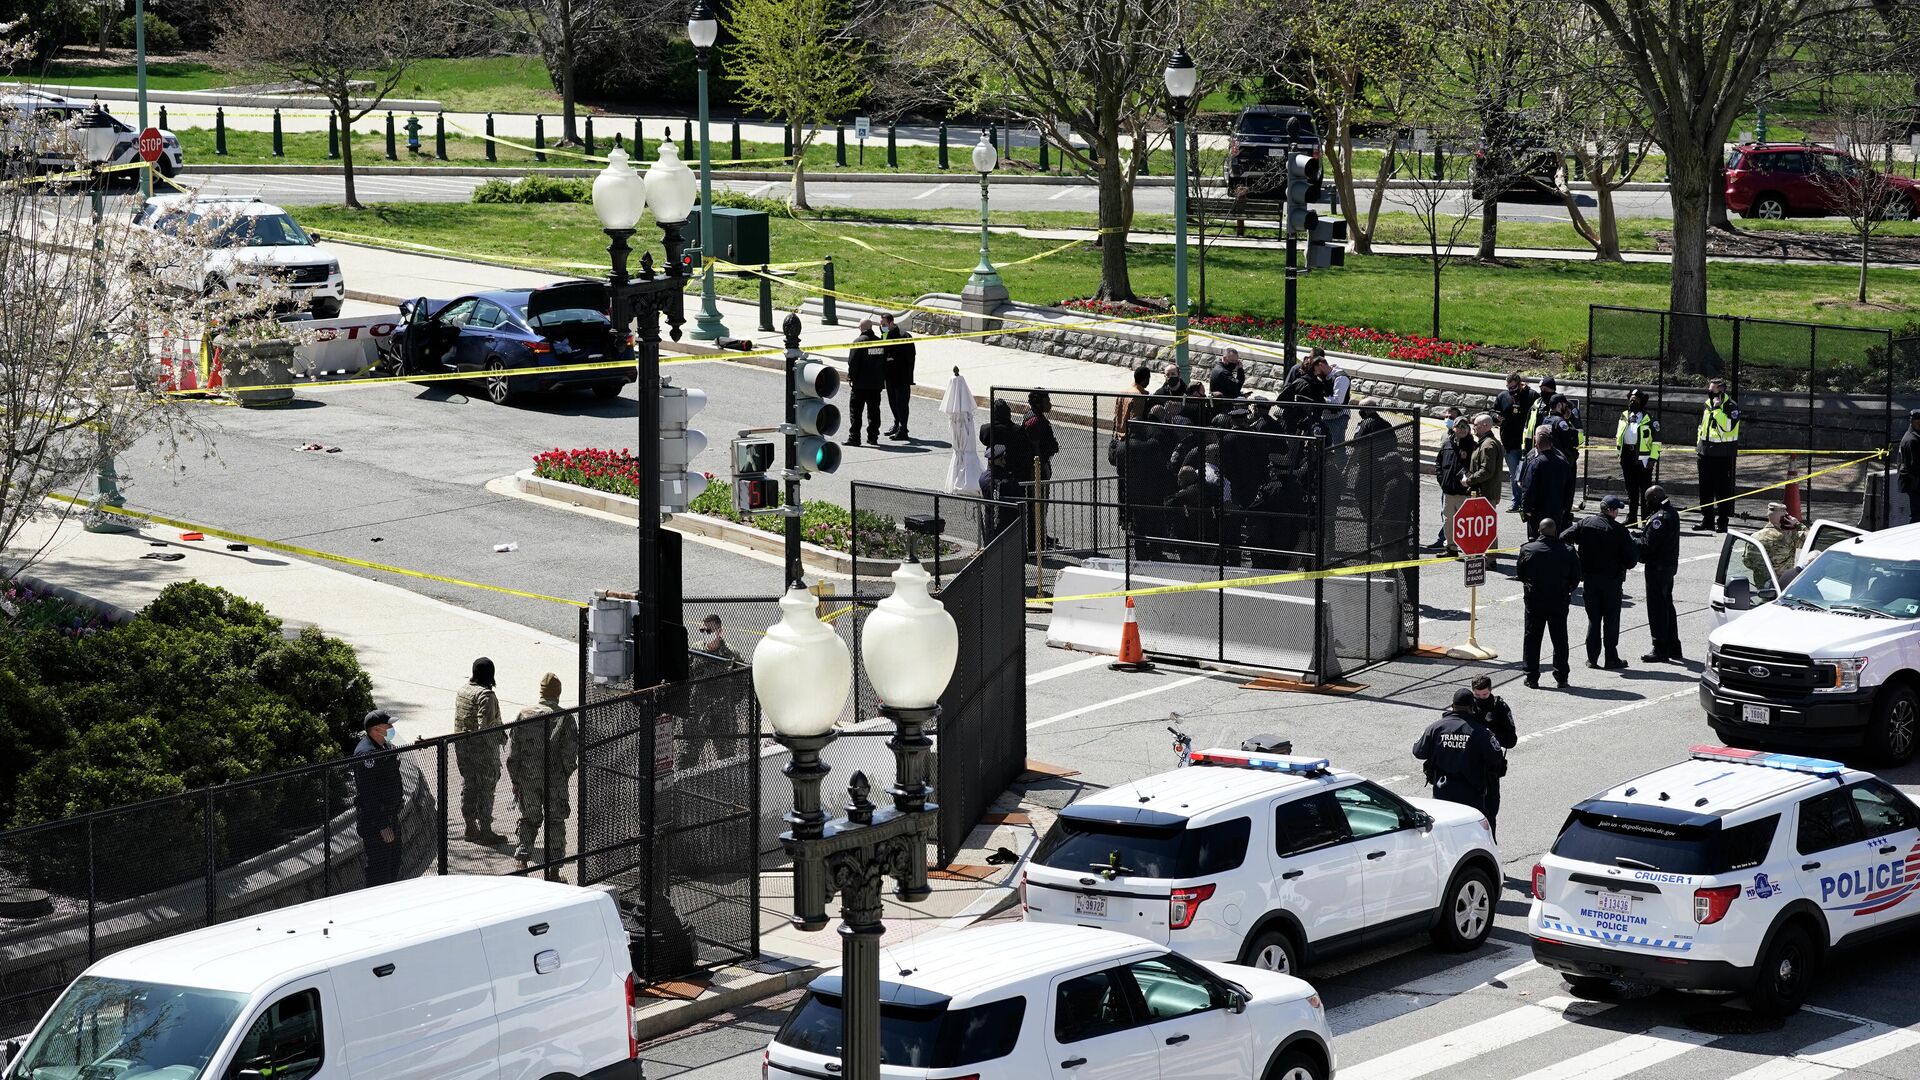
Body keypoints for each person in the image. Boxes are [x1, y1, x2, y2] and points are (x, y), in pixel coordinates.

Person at [507, 673, 579, 871]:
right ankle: (553, 871)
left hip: (528, 779)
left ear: (541, 692)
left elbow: (514, 754)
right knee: (555, 822)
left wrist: (516, 779)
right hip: (554, 780)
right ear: (558, 693)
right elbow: (569, 755)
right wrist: (564, 775)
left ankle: (521, 861)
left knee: (529, 819)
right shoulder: (565, 718)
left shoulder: (524, 715)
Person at [1566, 494, 1639, 670]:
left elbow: (1563, 537)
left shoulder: (1585, 523)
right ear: (1611, 511)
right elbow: (1631, 561)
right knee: (1611, 620)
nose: (1618, 513)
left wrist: (1576, 559)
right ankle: (1611, 658)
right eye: (1617, 510)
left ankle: (1592, 658)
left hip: (1590, 580)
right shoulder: (1619, 531)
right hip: (1612, 581)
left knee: (1594, 619)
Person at [1412, 688, 1508, 817]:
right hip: (1471, 794)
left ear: (1452, 706)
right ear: (1472, 707)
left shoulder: (1436, 728)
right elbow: (1496, 756)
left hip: (1442, 791)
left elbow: (1418, 752)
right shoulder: (1480, 732)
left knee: (1445, 829)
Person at [1517, 517, 1581, 688]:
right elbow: (1576, 578)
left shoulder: (1528, 549)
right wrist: (1567, 588)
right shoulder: (1567, 551)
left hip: (1534, 600)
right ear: (1555, 531)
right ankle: (1562, 677)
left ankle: (1531, 677)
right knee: (1560, 639)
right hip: (1558, 600)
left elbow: (1521, 574)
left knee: (1532, 638)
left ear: (1539, 531)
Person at [453, 657, 507, 844]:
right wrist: (500, 739)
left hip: (462, 748)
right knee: (486, 790)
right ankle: (485, 831)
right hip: (482, 752)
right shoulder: (486, 696)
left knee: (468, 786)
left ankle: (470, 827)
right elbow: (485, 728)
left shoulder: (463, 691)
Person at [353, 710, 405, 886]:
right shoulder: (367, 755)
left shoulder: (384, 746)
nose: (391, 728)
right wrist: (382, 825)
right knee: (379, 872)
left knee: (393, 866)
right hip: (376, 824)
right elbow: (368, 795)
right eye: (387, 726)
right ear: (375, 729)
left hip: (391, 817)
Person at [1637, 484, 1684, 663]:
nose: (1647, 504)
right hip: (1667, 566)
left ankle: (1660, 648)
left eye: (1649, 501)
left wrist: (1632, 541)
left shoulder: (1660, 518)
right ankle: (1673, 646)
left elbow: (1649, 546)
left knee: (1657, 608)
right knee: (1667, 606)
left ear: (1655, 499)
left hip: (1658, 568)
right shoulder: (1670, 512)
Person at [1468, 676, 1518, 838]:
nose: (1481, 698)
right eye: (1478, 695)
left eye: (1484, 695)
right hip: (1470, 764)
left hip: (1491, 767)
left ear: (1490, 690)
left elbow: (1511, 740)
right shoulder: (1467, 705)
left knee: (1490, 811)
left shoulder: (1499, 707)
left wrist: (1491, 735)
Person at [1696, 377, 1741, 532]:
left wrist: (1717, 410)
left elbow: (1728, 426)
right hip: (1705, 453)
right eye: (1709, 388)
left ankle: (1722, 522)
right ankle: (1707, 520)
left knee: (1722, 491)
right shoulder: (1707, 404)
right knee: (1705, 490)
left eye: (1713, 389)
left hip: (1722, 455)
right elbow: (1702, 427)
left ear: (1721, 391)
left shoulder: (1731, 406)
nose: (1710, 392)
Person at [1519, 425, 1574, 541]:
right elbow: (1569, 488)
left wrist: (1526, 508)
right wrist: (1565, 507)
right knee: (1554, 540)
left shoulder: (1535, 464)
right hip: (1556, 511)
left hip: (1537, 512)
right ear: (1552, 444)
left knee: (1536, 540)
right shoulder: (1563, 463)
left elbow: (1528, 488)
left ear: (1537, 445)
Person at [1615, 388, 1660, 523]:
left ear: (1641, 402)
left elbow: (1657, 442)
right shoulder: (1623, 416)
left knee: (1645, 490)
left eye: (1635, 399)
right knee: (1631, 489)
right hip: (1627, 456)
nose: (1632, 401)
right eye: (1631, 398)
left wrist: (1653, 459)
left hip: (1644, 459)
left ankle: (1646, 518)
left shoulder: (1650, 419)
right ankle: (1632, 518)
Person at [1024, 390, 1061, 549]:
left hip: (1042, 465)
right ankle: (1038, 541)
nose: (1050, 404)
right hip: (1037, 469)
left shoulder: (1036, 418)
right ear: (1039, 403)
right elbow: (1035, 447)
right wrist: (1041, 464)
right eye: (1047, 401)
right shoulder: (1035, 422)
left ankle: (1042, 535)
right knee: (1038, 506)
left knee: (1042, 506)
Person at [1465, 413, 1504, 564]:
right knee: (1483, 525)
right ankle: (1483, 555)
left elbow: (1487, 471)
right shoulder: (1486, 442)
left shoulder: (1488, 445)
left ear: (1485, 426)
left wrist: (1469, 480)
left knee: (1487, 526)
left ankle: (1490, 559)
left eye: (1475, 425)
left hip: (1486, 493)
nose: (1473, 427)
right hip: (1484, 492)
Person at [1495, 373, 1537, 510]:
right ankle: (1516, 502)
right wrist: (1496, 417)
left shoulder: (1531, 395)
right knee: (1515, 474)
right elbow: (1492, 411)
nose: (1511, 390)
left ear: (1519, 384)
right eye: (1508, 387)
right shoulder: (1503, 397)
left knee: (1527, 473)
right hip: (1509, 443)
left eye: (1513, 387)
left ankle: (1528, 501)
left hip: (1528, 443)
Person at [1433, 416, 1473, 553]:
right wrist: (1441, 479)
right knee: (1448, 520)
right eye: (1459, 426)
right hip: (1448, 491)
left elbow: (1477, 467)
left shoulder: (1473, 446)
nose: (1462, 429)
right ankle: (1451, 547)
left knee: (1464, 522)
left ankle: (1467, 548)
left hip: (1464, 493)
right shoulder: (1447, 444)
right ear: (1454, 428)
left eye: (1465, 427)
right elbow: (1438, 463)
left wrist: (1469, 479)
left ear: (1469, 429)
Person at [846, 319, 886, 447]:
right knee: (874, 412)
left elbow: (853, 362)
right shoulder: (880, 342)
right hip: (875, 384)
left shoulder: (858, 342)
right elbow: (884, 361)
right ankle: (873, 437)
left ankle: (854, 438)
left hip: (860, 384)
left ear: (860, 328)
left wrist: (851, 377)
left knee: (856, 412)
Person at [1746, 501, 1806, 585]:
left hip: (1762, 583)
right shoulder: (1790, 537)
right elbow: (1811, 538)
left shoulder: (1755, 537)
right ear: (1785, 518)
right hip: (1783, 582)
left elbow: (1747, 562)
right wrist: (1798, 524)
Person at [878, 312, 917, 440]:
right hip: (889, 376)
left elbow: (910, 357)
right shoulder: (884, 335)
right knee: (892, 402)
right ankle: (896, 423)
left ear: (891, 323)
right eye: (881, 324)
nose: (882, 326)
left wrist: (892, 360)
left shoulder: (904, 336)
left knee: (901, 404)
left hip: (901, 377)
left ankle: (903, 429)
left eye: (884, 324)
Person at [979, 397, 1032, 486]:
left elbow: (983, 439)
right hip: (1013, 471)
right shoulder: (1016, 431)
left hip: (994, 470)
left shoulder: (987, 430)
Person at [1112, 365, 1154, 439]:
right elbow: (1135, 420)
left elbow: (1116, 414)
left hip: (1118, 435)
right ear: (1146, 379)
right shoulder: (1138, 397)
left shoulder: (1123, 392)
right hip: (1129, 438)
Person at [1322, 360, 1351, 445]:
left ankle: (1340, 459)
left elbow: (1338, 401)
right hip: (1325, 417)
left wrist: (1321, 400)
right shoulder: (1325, 376)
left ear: (1320, 365)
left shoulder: (1340, 378)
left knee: (1338, 447)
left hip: (1338, 417)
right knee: (1324, 447)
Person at [1899, 409, 1920, 524]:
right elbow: (1914, 466)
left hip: (1915, 483)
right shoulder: (1911, 440)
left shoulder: (1913, 436)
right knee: (1917, 516)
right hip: (1915, 484)